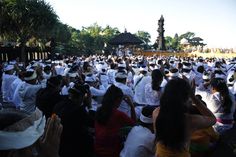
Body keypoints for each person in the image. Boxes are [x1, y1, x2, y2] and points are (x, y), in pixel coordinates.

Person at [153, 78, 216, 157]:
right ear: (186, 99)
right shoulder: (190, 120)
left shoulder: (156, 113)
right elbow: (213, 119)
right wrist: (194, 98)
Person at [53, 83, 95, 157]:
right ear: (81, 97)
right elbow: (93, 123)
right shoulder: (78, 111)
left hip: (60, 144)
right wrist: (90, 106)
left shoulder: (59, 104)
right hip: (73, 147)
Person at [95, 85, 136, 157]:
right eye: (120, 101)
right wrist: (132, 106)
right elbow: (134, 125)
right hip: (112, 151)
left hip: (97, 148)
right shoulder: (118, 114)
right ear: (117, 100)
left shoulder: (99, 110)